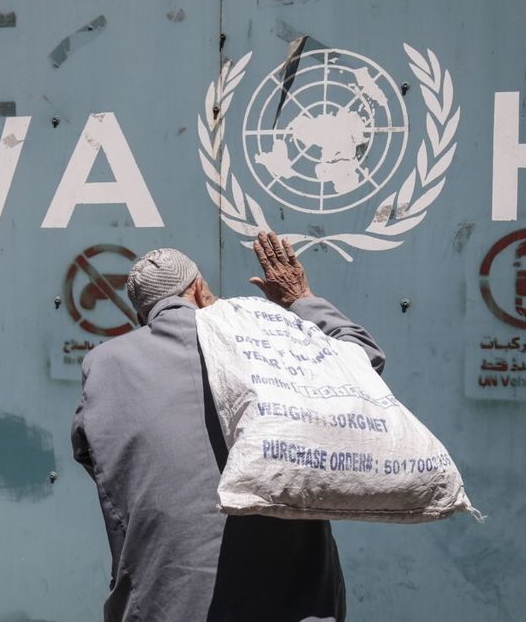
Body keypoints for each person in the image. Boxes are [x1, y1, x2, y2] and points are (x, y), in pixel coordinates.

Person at [71, 231, 385, 622]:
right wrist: (300, 298)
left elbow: (89, 450)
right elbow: (363, 363)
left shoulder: (104, 364)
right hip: (291, 606)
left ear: (143, 314)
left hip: (161, 607)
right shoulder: (262, 340)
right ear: (200, 290)